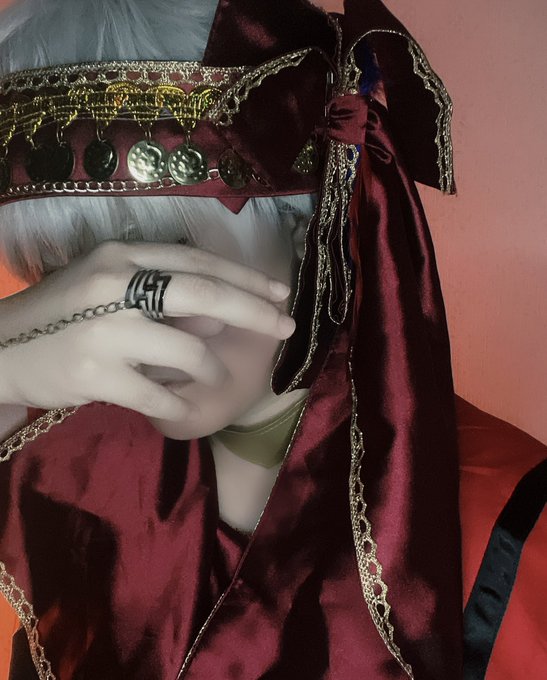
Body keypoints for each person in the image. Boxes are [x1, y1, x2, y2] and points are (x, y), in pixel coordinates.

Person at [0, 1, 544, 679]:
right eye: (59, 276)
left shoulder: (512, 527)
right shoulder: (52, 469)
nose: (108, 319)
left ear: (303, 225)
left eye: (158, 260)